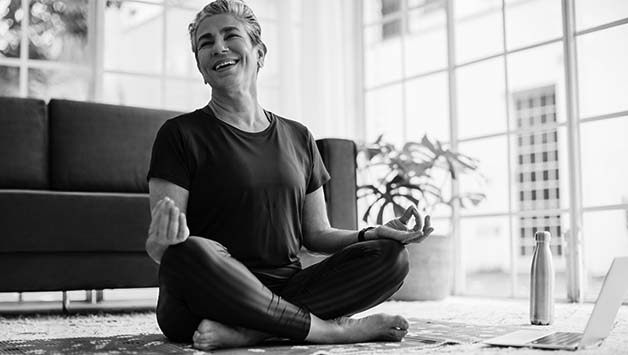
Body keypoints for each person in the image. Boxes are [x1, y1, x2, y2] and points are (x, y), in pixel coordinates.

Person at [146, 0, 434, 350]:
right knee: (188, 251)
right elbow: (163, 249)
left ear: (259, 52)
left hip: (287, 289)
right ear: (202, 68)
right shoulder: (178, 135)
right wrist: (163, 244)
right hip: (205, 299)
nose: (218, 47)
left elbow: (317, 234)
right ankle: (331, 331)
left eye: (229, 35)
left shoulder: (299, 137)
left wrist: (373, 233)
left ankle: (255, 331)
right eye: (205, 43)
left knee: (391, 257)